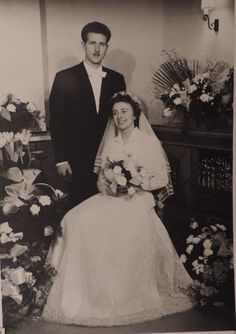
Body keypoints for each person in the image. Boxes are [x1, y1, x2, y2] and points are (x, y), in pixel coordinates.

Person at [42, 92, 194, 327]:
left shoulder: (148, 142)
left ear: (135, 114)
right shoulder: (111, 143)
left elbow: (162, 179)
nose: (119, 117)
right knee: (74, 219)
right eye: (115, 113)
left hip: (139, 198)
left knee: (111, 224)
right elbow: (101, 180)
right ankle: (82, 290)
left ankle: (117, 294)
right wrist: (110, 187)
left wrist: (137, 183)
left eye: (124, 111)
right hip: (112, 197)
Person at [49, 21, 126, 205]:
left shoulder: (117, 79)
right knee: (81, 211)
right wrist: (61, 160)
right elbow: (57, 121)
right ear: (83, 45)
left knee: (108, 211)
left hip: (110, 161)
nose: (97, 49)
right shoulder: (64, 77)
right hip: (76, 161)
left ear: (107, 46)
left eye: (102, 44)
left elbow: (122, 120)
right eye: (92, 43)